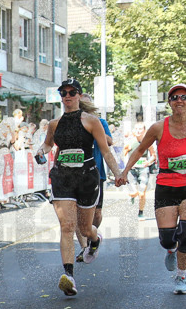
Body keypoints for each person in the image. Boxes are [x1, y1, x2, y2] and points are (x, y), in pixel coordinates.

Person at [115, 83, 186, 294]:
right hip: (166, 186)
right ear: (169, 103)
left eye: (184, 97)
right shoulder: (158, 127)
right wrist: (124, 172)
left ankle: (181, 277)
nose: (179, 100)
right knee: (167, 238)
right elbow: (140, 149)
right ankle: (170, 249)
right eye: (174, 97)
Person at [34, 78, 121, 297]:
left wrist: (118, 173)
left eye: (72, 92)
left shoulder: (92, 121)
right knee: (66, 226)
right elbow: (48, 143)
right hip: (62, 177)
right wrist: (41, 151)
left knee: (85, 228)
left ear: (79, 96)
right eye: (63, 93)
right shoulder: (55, 124)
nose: (67, 96)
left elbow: (106, 150)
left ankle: (94, 239)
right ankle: (69, 276)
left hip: (86, 178)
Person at [74, 94, 112, 261]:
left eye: (86, 106)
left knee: (96, 213)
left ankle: (92, 233)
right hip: (74, 173)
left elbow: (110, 142)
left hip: (96, 172)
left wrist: (96, 130)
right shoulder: (71, 123)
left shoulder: (99, 122)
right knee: (75, 213)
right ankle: (84, 247)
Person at [123, 126, 155, 220]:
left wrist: (148, 162)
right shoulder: (129, 143)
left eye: (140, 129)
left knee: (142, 193)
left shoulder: (147, 142)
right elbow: (124, 155)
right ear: (133, 130)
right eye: (136, 129)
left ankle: (141, 212)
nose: (138, 131)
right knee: (134, 192)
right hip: (132, 170)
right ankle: (132, 195)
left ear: (144, 131)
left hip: (143, 169)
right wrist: (128, 164)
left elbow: (153, 155)